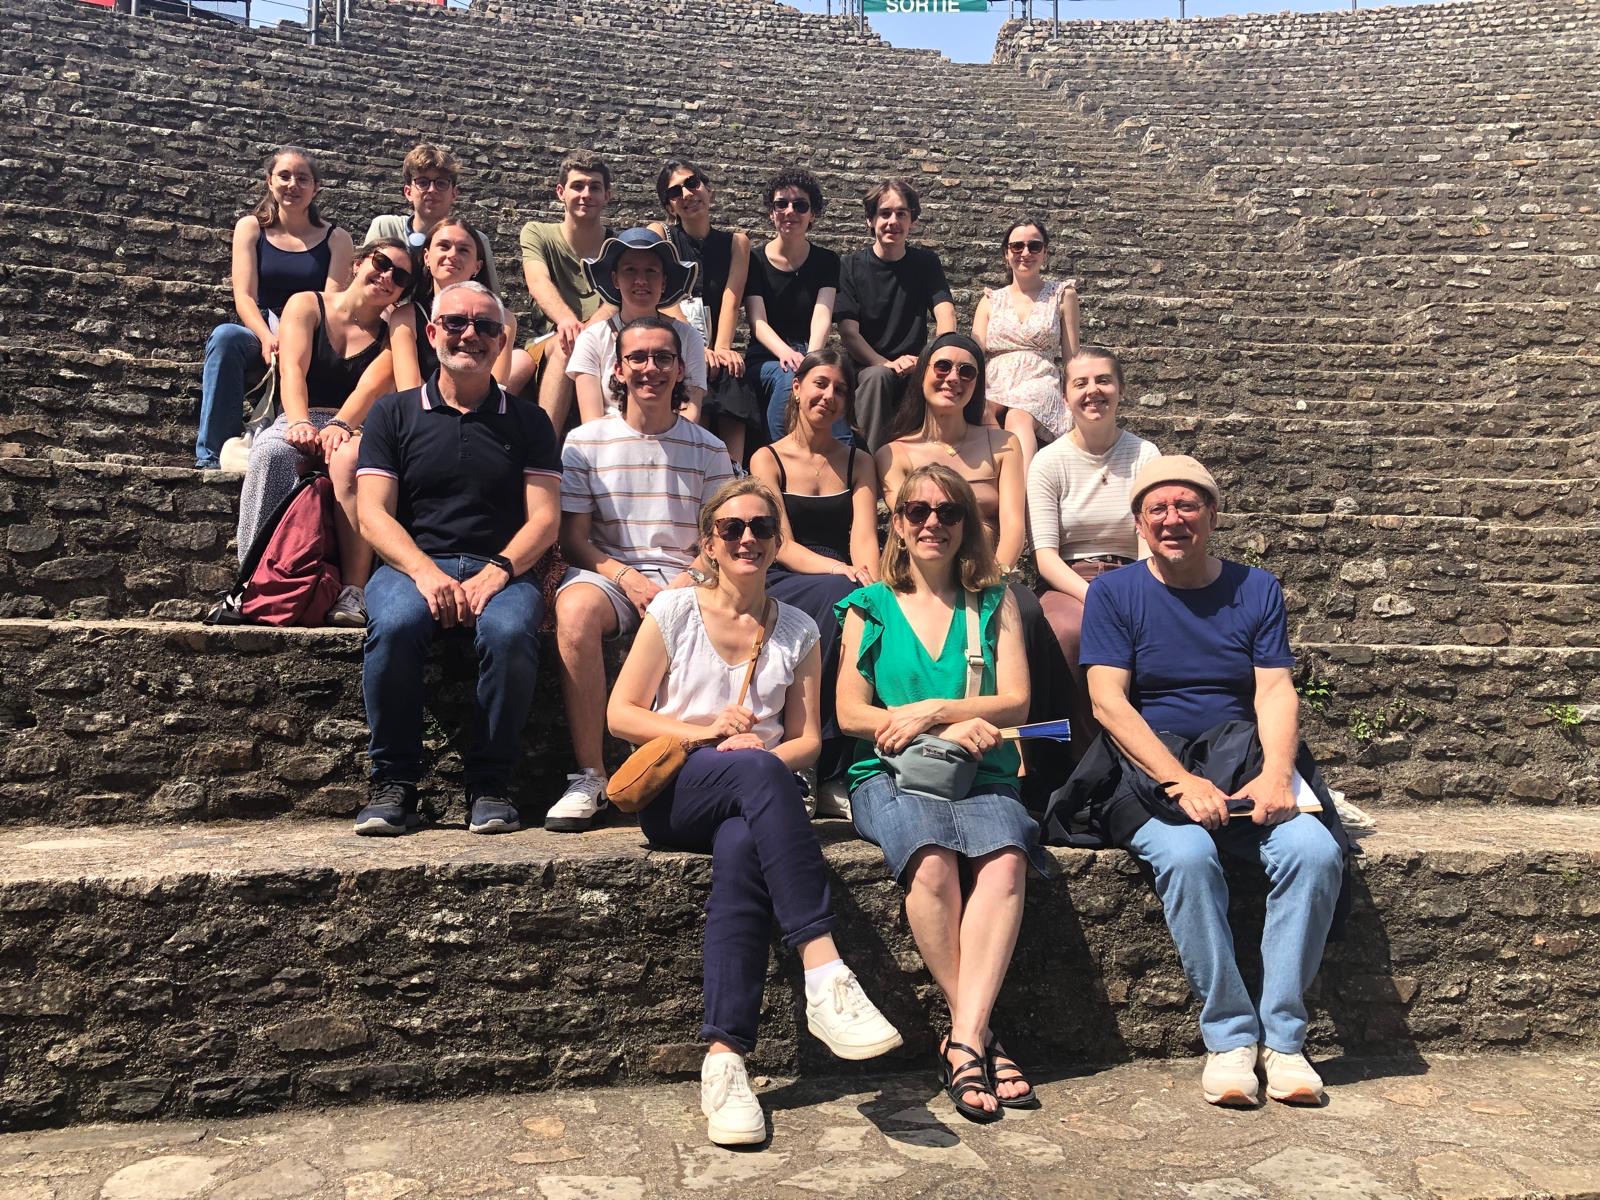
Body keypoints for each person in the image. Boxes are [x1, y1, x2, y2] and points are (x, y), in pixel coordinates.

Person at [608, 477, 903, 1147]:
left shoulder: (798, 628)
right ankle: (824, 968)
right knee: (759, 770)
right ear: (709, 541)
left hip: (754, 795)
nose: (747, 538)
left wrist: (759, 748)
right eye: (733, 528)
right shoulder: (676, 612)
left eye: (761, 528)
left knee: (745, 844)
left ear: (777, 542)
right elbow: (621, 714)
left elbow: (805, 740)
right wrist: (710, 732)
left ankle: (724, 1062)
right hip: (679, 792)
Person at [1068, 455, 1347, 1108]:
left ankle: (1283, 1040)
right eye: (1158, 509)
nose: (1174, 519)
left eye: (1187, 506)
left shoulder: (1256, 589)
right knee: (1188, 856)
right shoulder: (1114, 594)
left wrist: (1278, 773)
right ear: (1139, 522)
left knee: (1314, 851)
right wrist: (1178, 783)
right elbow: (1108, 702)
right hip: (1146, 763)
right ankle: (1228, 1037)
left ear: (1212, 515)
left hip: (1242, 753)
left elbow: (1275, 689)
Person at [836, 464, 1052, 1123]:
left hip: (979, 772)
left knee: (1006, 861)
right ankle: (978, 1037)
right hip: (892, 772)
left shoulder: (994, 600)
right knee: (930, 860)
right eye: (918, 511)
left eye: (949, 512)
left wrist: (936, 709)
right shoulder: (869, 605)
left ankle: (961, 1037)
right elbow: (850, 712)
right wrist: (918, 722)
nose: (933, 522)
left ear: (967, 525)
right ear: (897, 523)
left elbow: (1015, 700)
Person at [352, 281, 562, 836]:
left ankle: (491, 784)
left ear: (501, 343)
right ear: (431, 332)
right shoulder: (393, 414)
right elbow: (373, 514)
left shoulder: (529, 421)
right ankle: (393, 782)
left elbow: (543, 519)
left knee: (512, 633)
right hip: (412, 563)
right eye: (455, 323)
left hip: (501, 566)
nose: (470, 334)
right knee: (395, 625)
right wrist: (424, 571)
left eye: (486, 327)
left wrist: (498, 571)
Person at [546, 316, 735, 833]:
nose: (650, 369)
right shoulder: (584, 442)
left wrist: (680, 585)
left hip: (690, 575)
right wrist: (629, 579)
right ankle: (589, 775)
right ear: (618, 369)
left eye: (663, 358)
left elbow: (717, 540)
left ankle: (696, 768)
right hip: (609, 572)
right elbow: (575, 540)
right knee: (574, 609)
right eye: (638, 358)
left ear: (680, 370)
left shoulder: (710, 449)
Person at [877, 333, 1075, 801]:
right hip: (928, 574)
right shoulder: (895, 452)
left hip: (990, 573)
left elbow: (1013, 527)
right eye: (943, 366)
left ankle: (1044, 765)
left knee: (1027, 613)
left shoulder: (1002, 442)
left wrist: (994, 578)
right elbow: (911, 528)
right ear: (923, 372)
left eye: (968, 371)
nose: (954, 378)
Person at [236, 237, 404, 627]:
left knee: (360, 462)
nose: (387, 277)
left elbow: (369, 390)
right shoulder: (308, 303)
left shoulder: (393, 330)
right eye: (381, 263)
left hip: (358, 422)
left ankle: (353, 590)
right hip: (300, 413)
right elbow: (292, 368)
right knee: (272, 453)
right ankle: (253, 575)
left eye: (400, 276)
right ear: (359, 262)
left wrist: (342, 426)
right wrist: (299, 422)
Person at [748, 349, 879, 794]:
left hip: (844, 574)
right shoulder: (767, 458)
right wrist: (842, 572)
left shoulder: (858, 460)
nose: (829, 396)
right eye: (820, 384)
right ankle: (811, 758)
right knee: (836, 598)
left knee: (874, 606)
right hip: (787, 573)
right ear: (798, 388)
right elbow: (780, 544)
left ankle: (844, 767)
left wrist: (873, 583)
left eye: (840, 389)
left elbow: (864, 536)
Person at [1026, 347, 1159, 758]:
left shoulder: (1145, 455)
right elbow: (1045, 555)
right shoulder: (1049, 462)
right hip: (1070, 580)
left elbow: (1148, 540)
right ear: (1065, 396)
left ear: (1120, 390)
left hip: (1136, 575)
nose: (1092, 391)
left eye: (1103, 380)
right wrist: (1097, 597)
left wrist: (1131, 591)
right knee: (1068, 633)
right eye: (1079, 383)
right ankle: (1080, 761)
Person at [196, 146, 353, 469]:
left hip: (312, 337)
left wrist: (297, 343)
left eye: (302, 178)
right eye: (284, 176)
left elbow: (333, 302)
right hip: (265, 328)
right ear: (270, 181)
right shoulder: (252, 228)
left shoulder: (337, 238)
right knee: (226, 338)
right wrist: (267, 337)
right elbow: (244, 295)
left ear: (316, 187)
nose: (292, 184)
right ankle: (211, 455)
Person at [649, 159, 762, 464]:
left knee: (732, 370)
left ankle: (732, 472)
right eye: (674, 192)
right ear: (669, 206)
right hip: (672, 337)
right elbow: (663, 296)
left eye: (692, 183)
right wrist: (696, 346)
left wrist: (722, 347)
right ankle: (689, 465)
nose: (686, 194)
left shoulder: (737, 243)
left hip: (713, 339)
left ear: (707, 188)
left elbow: (731, 297)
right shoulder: (660, 234)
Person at [836, 179, 956, 453]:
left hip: (917, 364)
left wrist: (929, 359)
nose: (893, 221)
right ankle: (868, 464)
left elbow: (946, 315)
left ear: (912, 221)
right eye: (885, 213)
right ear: (870, 219)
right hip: (868, 369)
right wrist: (887, 364)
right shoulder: (850, 266)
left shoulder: (926, 263)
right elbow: (848, 332)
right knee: (880, 377)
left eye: (901, 213)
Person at [566, 228, 707, 424]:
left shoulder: (689, 338)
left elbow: (689, 412)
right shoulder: (592, 338)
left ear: (664, 282)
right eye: (630, 270)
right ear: (615, 279)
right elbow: (591, 420)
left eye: (651, 271)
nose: (641, 281)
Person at [971, 217, 1078, 471]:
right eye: (1017, 246)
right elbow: (975, 352)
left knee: (1018, 416)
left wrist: (1073, 391)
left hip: (1039, 379)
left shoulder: (1063, 295)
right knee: (982, 409)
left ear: (1045, 253)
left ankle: (1025, 498)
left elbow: (1072, 354)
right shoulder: (990, 300)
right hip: (996, 380)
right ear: (1006, 254)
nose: (1025, 253)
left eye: (1034, 246)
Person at [520, 151, 616, 432]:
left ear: (606, 196)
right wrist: (566, 321)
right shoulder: (537, 232)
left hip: (602, 336)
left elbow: (616, 298)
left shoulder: (617, 246)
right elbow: (538, 281)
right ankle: (544, 449)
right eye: (578, 186)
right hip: (552, 337)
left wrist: (588, 328)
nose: (586, 194)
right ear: (561, 192)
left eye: (594, 187)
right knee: (566, 346)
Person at [388, 219, 535, 398]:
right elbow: (409, 388)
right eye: (443, 246)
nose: (452, 255)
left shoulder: (503, 320)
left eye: (463, 250)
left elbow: (495, 387)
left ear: (477, 266)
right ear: (427, 257)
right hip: (422, 414)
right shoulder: (405, 318)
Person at [745, 168, 841, 442]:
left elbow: (822, 314)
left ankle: (842, 461)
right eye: (781, 204)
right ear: (771, 212)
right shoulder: (755, 260)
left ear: (812, 214)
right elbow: (758, 321)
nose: (790, 211)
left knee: (832, 381)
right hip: (767, 355)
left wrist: (811, 360)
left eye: (800, 206)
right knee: (790, 380)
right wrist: (787, 354)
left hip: (810, 350)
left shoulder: (827, 260)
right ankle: (783, 455)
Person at [364, 142, 500, 292]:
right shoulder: (386, 228)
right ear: (408, 192)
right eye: (422, 182)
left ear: (454, 193)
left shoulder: (476, 240)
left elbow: (491, 295)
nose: (432, 189)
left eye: (441, 183)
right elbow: (363, 282)